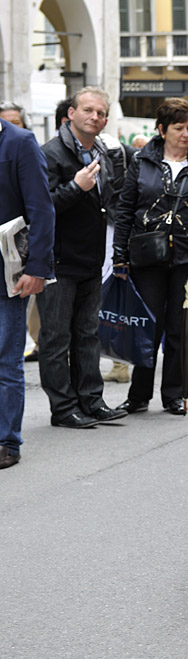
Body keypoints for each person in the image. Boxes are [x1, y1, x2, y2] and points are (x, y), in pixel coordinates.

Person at [112, 97, 188, 416]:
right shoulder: (142, 160)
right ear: (162, 129)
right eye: (179, 128)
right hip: (146, 256)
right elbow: (125, 210)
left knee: (179, 326)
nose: (187, 134)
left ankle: (174, 394)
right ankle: (138, 395)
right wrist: (119, 257)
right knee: (147, 326)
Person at [37, 87, 125, 429]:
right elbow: (42, 210)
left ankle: (91, 400)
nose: (95, 116)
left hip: (91, 258)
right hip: (58, 260)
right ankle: (63, 407)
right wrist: (75, 187)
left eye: (101, 112)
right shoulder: (50, 153)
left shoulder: (103, 150)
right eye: (88, 110)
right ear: (70, 113)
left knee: (88, 333)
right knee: (56, 336)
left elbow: (111, 203)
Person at [0, 107, 56, 468]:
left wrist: (37, 267)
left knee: (5, 360)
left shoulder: (19, 142)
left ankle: (7, 441)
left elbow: (42, 209)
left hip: (7, 274)